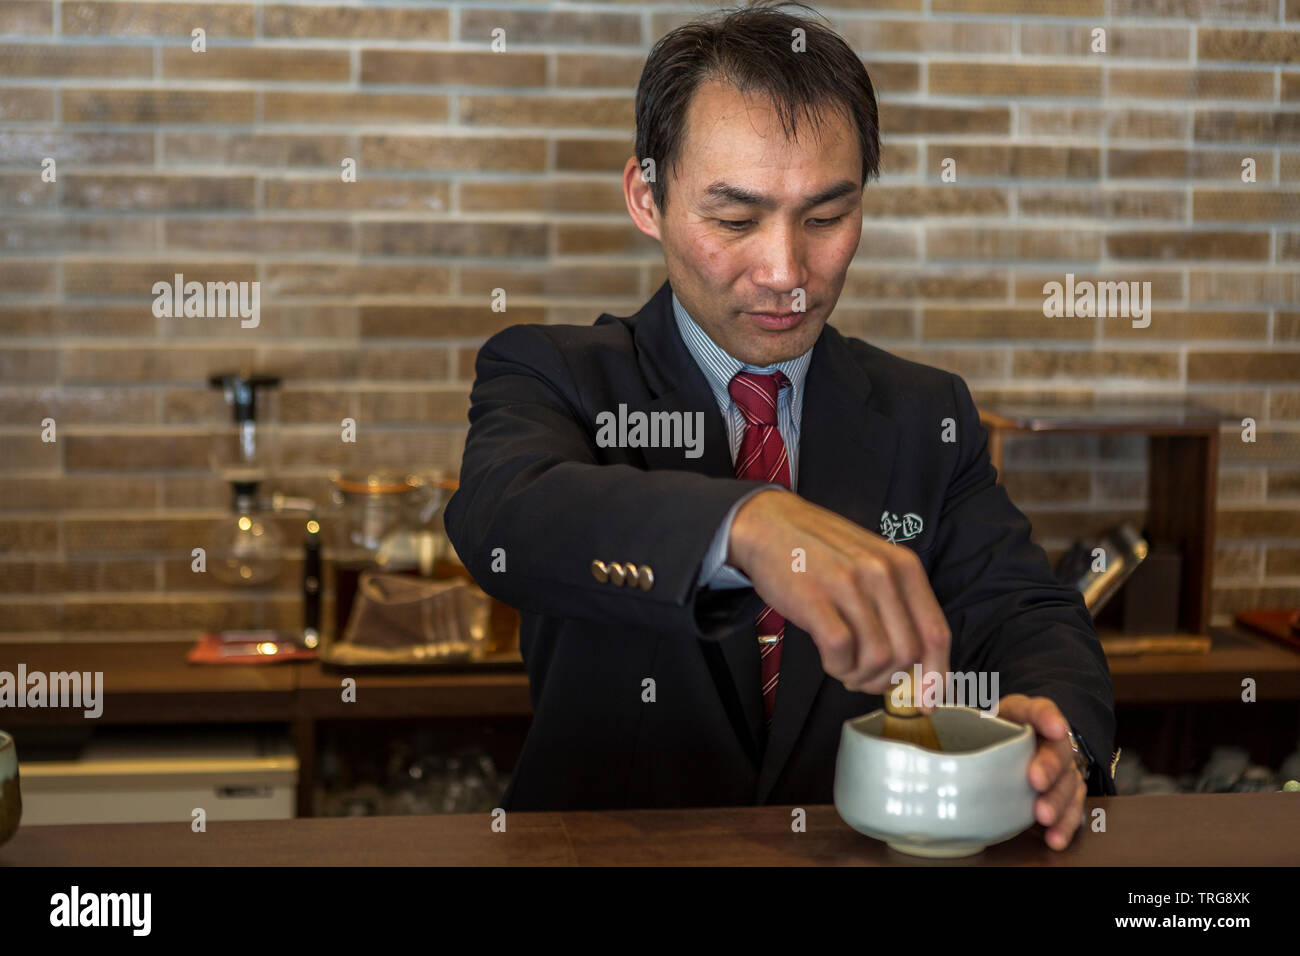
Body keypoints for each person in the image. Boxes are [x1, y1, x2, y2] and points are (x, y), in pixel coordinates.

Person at [444, 0, 1116, 850]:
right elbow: (504, 517)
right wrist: (745, 525)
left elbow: (1024, 609)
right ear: (646, 198)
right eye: (735, 220)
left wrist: (1062, 737)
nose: (786, 272)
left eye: (827, 217)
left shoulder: (924, 410)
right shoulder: (553, 372)